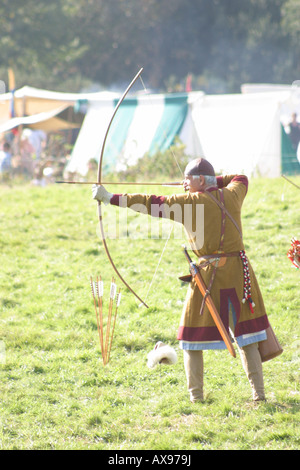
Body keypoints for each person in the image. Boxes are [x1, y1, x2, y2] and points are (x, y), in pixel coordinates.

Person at [92, 158, 270, 403]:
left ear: (198, 180)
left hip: (210, 276)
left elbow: (151, 202)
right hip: (240, 271)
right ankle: (258, 395)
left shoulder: (189, 203)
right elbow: (240, 178)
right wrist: (208, 183)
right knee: (246, 335)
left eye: (188, 179)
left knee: (190, 338)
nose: (184, 183)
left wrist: (109, 197)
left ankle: (196, 398)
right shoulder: (232, 195)